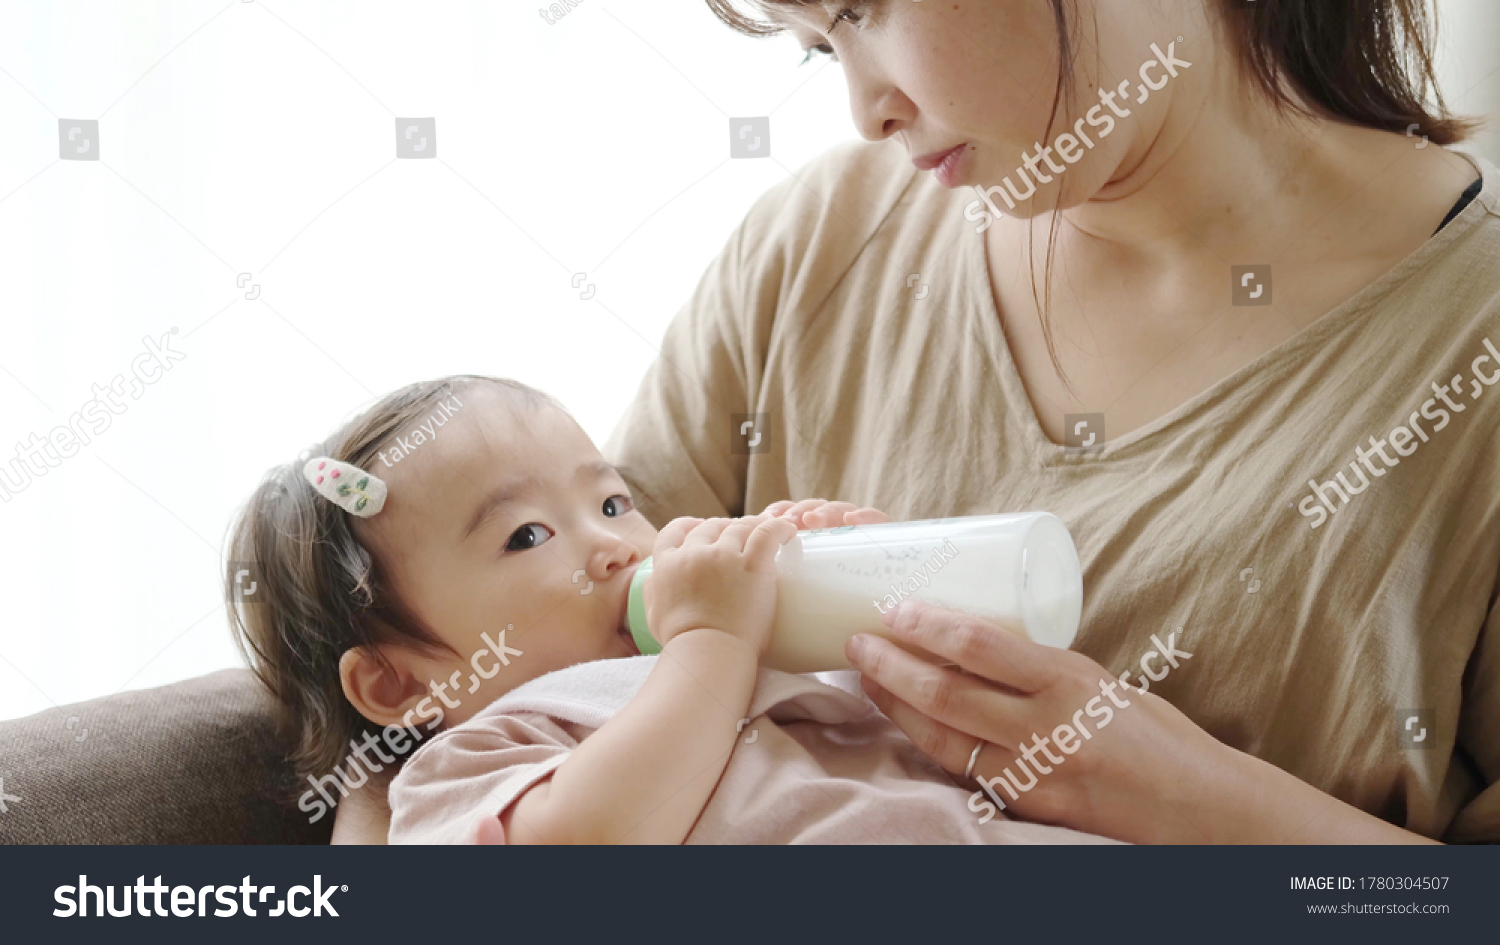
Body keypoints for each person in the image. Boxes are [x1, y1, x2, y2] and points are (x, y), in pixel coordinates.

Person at [601, 0, 1500, 842]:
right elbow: (548, 654)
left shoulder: (1470, 347)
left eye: (862, 9)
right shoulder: (822, 243)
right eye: (817, 46)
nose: (866, 111)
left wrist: (1196, 804)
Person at [228, 376, 1117, 844]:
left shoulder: (721, 653)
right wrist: (715, 641)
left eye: (612, 504)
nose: (614, 545)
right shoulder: (475, 762)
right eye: (528, 536)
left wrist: (834, 583)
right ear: (396, 682)